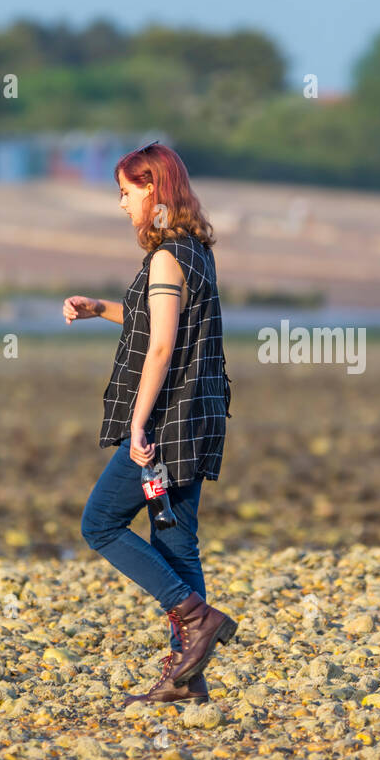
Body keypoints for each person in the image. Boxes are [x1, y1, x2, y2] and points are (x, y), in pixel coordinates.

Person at [65, 140, 237, 706]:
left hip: (168, 424)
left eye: (125, 192)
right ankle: (187, 679)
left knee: (101, 524)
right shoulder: (195, 252)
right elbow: (156, 318)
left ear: (153, 190)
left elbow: (161, 346)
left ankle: (195, 615)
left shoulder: (166, 258)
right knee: (177, 543)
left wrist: (138, 426)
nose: (121, 205)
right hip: (201, 415)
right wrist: (99, 308)